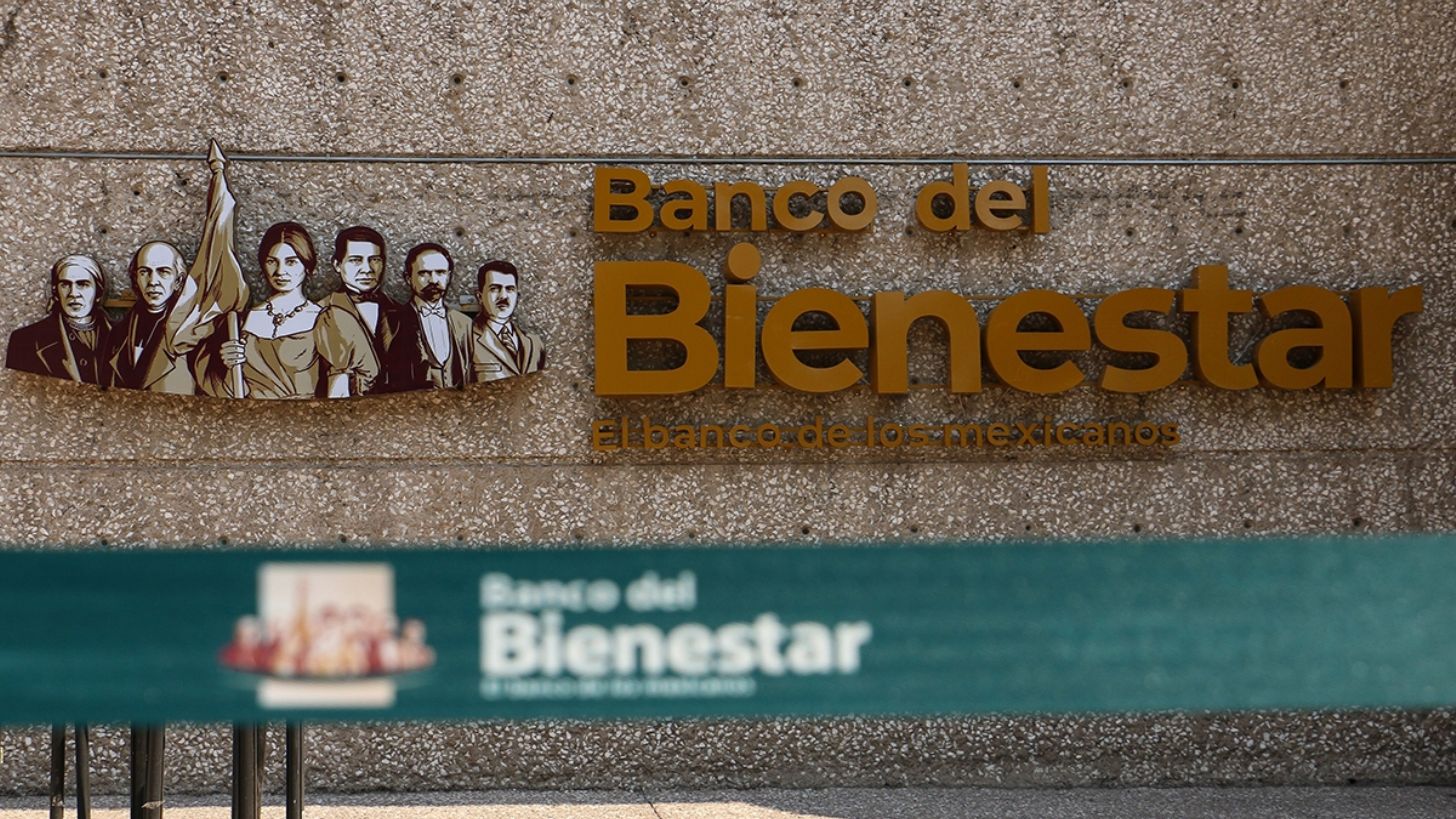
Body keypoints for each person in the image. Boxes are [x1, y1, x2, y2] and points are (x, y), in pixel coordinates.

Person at [201, 222, 379, 399]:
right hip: (252, 414)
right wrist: (229, 365)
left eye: (291, 262)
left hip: (305, 415)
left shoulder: (330, 320)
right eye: (272, 262)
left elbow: (341, 396)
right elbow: (232, 394)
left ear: (307, 265)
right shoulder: (240, 321)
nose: (280, 271)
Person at [106, 242, 198, 393]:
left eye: (163, 272)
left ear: (178, 281)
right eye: (144, 272)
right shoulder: (119, 332)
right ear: (136, 279)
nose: (153, 281)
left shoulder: (191, 332)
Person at [6, 255, 112, 384]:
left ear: (98, 292)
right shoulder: (25, 340)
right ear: (56, 292)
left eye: (83, 284)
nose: (73, 293)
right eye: (65, 285)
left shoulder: (123, 339)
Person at [320, 225, 399, 394]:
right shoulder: (319, 312)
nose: (367, 269)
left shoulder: (400, 311)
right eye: (356, 260)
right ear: (337, 265)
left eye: (374, 260)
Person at [382, 243, 472, 390]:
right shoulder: (393, 322)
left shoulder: (464, 323)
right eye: (424, 273)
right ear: (408, 278)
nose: (433, 280)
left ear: (449, 276)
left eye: (440, 272)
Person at [470, 260, 545, 383]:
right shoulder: (465, 341)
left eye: (510, 289)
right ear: (479, 296)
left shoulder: (535, 344)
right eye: (494, 289)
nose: (503, 296)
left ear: (517, 296)